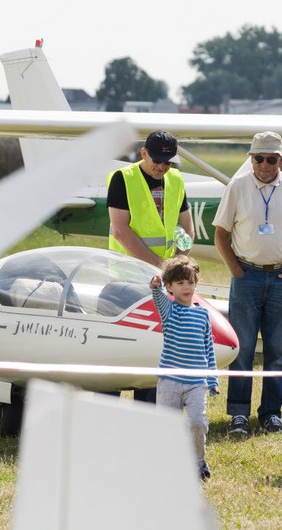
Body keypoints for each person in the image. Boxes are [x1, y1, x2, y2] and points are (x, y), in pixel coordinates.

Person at [213, 131, 282, 436]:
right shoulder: (238, 186)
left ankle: (272, 414)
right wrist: (237, 271)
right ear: (251, 159)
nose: (265, 164)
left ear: (281, 160)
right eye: (259, 158)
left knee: (277, 351)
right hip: (248, 277)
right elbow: (220, 234)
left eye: (272, 159)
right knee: (241, 350)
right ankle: (239, 415)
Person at [108, 130, 195, 403]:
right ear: (143, 153)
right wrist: (162, 266)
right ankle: (106, 406)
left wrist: (180, 260)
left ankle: (148, 409)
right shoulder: (123, 178)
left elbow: (185, 227)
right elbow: (121, 231)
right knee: (119, 348)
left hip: (161, 281)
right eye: (157, 159)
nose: (162, 166)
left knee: (154, 347)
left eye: (168, 161)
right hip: (125, 278)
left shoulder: (176, 179)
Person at [149, 255, 219, 481]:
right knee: (167, 425)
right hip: (169, 380)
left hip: (197, 383)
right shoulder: (169, 311)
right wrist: (156, 285)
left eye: (190, 282)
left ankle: (198, 462)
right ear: (170, 287)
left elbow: (209, 348)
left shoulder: (202, 314)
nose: (186, 287)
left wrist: (213, 380)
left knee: (198, 422)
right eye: (179, 283)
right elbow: (158, 297)